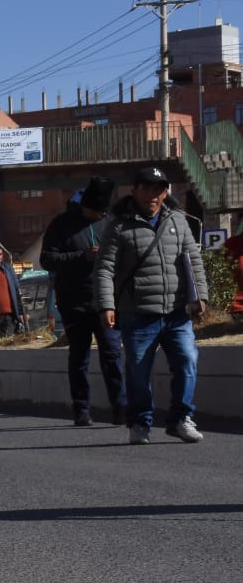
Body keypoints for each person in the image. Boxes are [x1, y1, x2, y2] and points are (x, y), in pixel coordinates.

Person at [95, 166, 207, 445]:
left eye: (158, 190)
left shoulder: (178, 221)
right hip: (138, 314)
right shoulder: (119, 225)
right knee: (138, 372)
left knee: (187, 361)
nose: (152, 195)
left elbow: (194, 260)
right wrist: (107, 305)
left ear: (165, 192)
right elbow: (104, 269)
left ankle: (181, 418)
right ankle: (140, 422)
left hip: (176, 312)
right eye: (146, 189)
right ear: (134, 191)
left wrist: (200, 296)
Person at [40, 177, 126, 426]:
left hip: (107, 301)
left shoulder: (111, 223)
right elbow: (47, 259)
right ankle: (82, 409)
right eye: (92, 211)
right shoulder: (61, 224)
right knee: (79, 357)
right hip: (74, 302)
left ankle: (120, 406)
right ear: (83, 206)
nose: (96, 215)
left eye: (100, 212)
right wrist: (83, 257)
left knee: (112, 354)